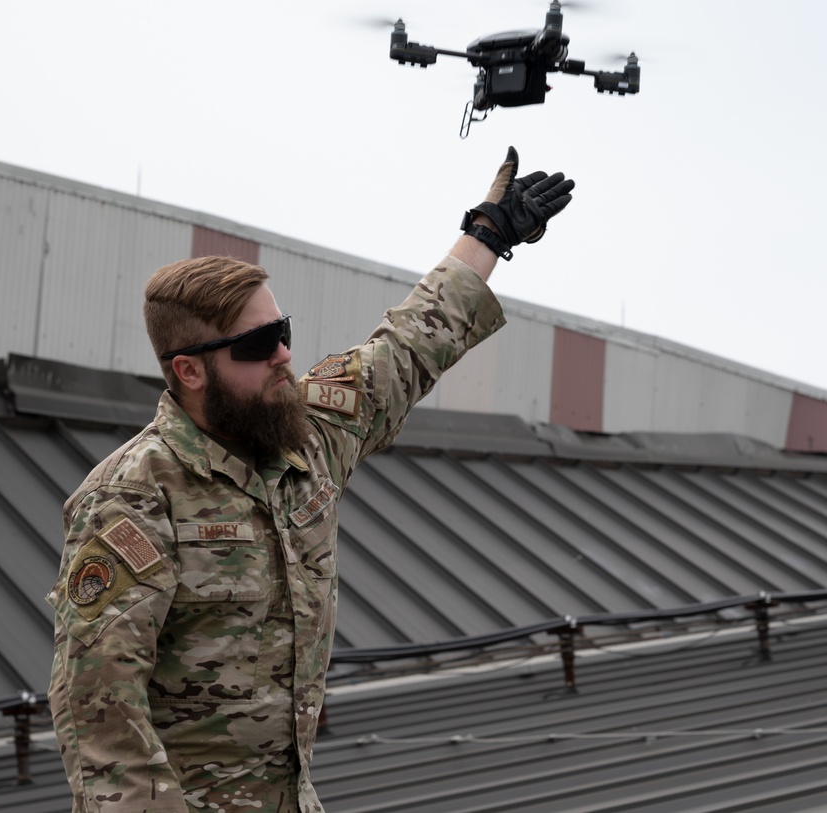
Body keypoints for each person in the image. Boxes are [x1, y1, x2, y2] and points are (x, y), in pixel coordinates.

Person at [47, 147, 574, 813]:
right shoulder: (132, 497)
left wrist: (489, 233)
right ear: (188, 370)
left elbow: (407, 345)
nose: (283, 355)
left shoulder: (305, 434)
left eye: (283, 332)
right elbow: (100, 715)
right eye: (256, 345)